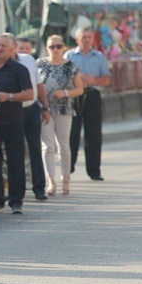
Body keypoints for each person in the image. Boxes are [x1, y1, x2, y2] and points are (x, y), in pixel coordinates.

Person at [0, 36, 33, 214]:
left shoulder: (19, 69)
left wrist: (9, 96)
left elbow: (29, 94)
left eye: (4, 46)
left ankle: (16, 201)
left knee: (15, 162)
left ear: (12, 49)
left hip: (13, 121)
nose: (0, 49)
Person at [39, 35, 84, 195]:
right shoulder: (40, 64)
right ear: (47, 48)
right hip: (45, 109)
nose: (55, 50)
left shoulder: (70, 66)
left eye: (58, 46)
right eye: (52, 47)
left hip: (64, 109)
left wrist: (65, 93)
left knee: (63, 145)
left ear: (64, 48)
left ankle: (66, 179)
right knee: (47, 146)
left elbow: (80, 89)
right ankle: (51, 181)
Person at [67, 27, 110, 181]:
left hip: (92, 95)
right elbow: (64, 76)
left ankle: (94, 170)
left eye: (89, 37)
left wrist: (93, 80)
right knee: (71, 133)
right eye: (83, 37)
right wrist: (79, 79)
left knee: (93, 134)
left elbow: (106, 79)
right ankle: (68, 168)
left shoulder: (99, 57)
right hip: (74, 96)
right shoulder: (70, 56)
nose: (86, 39)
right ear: (77, 39)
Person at [13, 36, 49, 201]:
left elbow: (39, 85)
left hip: (32, 108)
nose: (23, 51)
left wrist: (45, 107)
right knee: (17, 151)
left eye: (25, 48)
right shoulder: (1, 62)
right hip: (14, 111)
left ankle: (39, 188)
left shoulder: (28, 60)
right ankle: (17, 190)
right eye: (20, 48)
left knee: (35, 149)